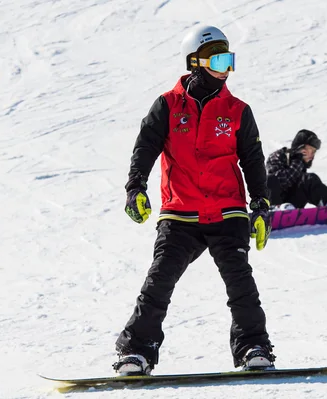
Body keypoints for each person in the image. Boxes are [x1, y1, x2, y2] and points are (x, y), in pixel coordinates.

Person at [114, 25, 276, 376]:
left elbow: (252, 159)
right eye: (218, 59)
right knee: (159, 282)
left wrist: (261, 204)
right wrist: (135, 187)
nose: (224, 68)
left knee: (240, 283)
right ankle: (137, 352)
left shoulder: (236, 109)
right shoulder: (168, 106)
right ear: (196, 61)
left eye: (229, 60)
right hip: (180, 211)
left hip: (226, 210)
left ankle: (254, 347)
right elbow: (145, 148)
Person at [266, 129, 327, 209]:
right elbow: (279, 181)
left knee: (310, 179)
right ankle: (274, 209)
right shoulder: (278, 156)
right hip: (274, 201)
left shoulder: (300, 165)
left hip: (291, 205)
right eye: (310, 150)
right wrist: (298, 160)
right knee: (270, 179)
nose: (312, 155)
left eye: (314, 152)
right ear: (300, 148)